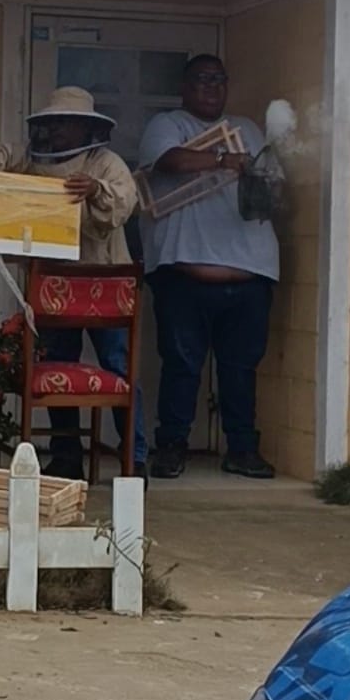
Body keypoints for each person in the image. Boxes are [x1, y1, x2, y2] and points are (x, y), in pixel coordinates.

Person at [0, 86, 147, 481]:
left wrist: (95, 189)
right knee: (54, 368)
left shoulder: (106, 162)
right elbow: (6, 153)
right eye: (56, 121)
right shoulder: (35, 159)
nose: (60, 129)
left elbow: (124, 204)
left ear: (86, 127)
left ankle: (135, 459)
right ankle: (67, 458)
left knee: (119, 368)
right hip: (53, 282)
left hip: (104, 284)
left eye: (68, 122)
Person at [137, 55, 279, 481]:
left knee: (241, 368)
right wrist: (222, 160)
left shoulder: (246, 129)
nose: (210, 86)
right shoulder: (168, 124)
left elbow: (270, 179)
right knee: (182, 365)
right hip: (184, 275)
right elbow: (168, 161)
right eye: (201, 78)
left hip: (249, 274)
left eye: (218, 79)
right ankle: (171, 446)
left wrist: (265, 176)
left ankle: (242, 449)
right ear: (184, 85)